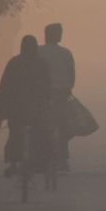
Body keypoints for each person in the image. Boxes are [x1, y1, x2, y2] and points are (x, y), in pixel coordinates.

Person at [0, 34, 52, 177]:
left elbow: (5, 86)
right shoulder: (41, 64)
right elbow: (48, 86)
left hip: (17, 108)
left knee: (15, 133)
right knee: (40, 133)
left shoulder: (14, 63)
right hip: (36, 108)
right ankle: (39, 161)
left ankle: (13, 164)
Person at [39, 22, 77, 170]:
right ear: (59, 36)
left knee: (40, 124)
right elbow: (72, 76)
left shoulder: (38, 51)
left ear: (46, 35)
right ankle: (63, 158)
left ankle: (41, 156)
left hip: (42, 95)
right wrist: (67, 89)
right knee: (63, 125)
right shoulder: (66, 53)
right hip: (61, 94)